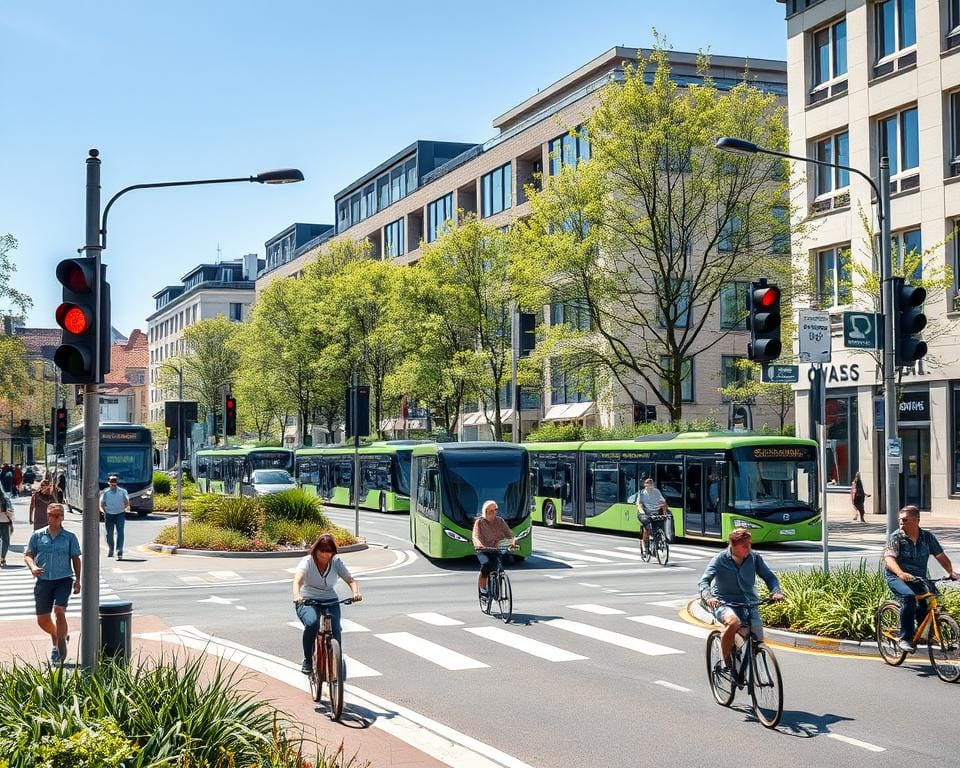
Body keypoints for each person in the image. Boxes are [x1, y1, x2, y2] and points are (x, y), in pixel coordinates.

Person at [698, 528, 784, 674]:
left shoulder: (754, 558)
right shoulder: (720, 560)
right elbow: (704, 582)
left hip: (749, 604)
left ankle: (758, 674)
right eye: (745, 546)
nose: (748, 549)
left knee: (757, 639)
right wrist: (709, 597)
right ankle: (726, 661)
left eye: (750, 544)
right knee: (734, 622)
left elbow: (769, 576)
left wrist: (776, 591)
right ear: (733, 545)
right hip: (724, 603)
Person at [883, 505, 960, 653]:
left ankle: (922, 632)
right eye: (900, 520)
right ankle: (905, 638)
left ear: (917, 521)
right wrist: (900, 573)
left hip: (918, 578)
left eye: (905, 520)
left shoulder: (927, 537)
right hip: (896, 576)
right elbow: (889, 559)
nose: (901, 523)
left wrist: (951, 572)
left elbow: (941, 556)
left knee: (930, 600)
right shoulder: (896, 537)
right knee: (909, 597)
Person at [292, 533, 362, 675]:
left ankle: (335, 658)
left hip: (330, 600)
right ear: (316, 550)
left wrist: (355, 593)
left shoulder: (336, 562)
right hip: (307, 600)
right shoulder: (307, 562)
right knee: (312, 624)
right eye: (322, 551)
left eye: (329, 551)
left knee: (336, 629)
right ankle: (308, 660)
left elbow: (350, 580)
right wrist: (297, 595)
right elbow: (297, 580)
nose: (325, 555)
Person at [23, 503, 81, 665]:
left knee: (59, 610)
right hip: (43, 581)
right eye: (51, 515)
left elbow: (76, 558)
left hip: (63, 579)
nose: (53, 518)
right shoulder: (37, 535)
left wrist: (78, 580)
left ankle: (59, 649)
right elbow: (28, 554)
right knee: (42, 620)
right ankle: (58, 635)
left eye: (57, 515)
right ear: (47, 516)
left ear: (62, 517)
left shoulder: (69, 537)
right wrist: (33, 566)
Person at [472, 499, 516, 596]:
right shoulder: (479, 522)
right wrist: (479, 545)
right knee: (486, 564)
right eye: (491, 510)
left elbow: (509, 534)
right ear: (486, 511)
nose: (494, 512)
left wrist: (512, 542)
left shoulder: (500, 521)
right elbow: (476, 536)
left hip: (497, 549)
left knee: (499, 566)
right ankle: (482, 587)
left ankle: (497, 589)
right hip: (483, 550)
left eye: (495, 510)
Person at [99, 474, 130, 560]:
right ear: (108, 482)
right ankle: (111, 549)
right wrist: (104, 511)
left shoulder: (122, 491)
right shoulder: (105, 492)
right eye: (111, 481)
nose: (113, 483)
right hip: (109, 515)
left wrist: (123, 508)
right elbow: (101, 504)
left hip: (120, 514)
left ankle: (119, 550)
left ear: (117, 482)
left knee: (120, 532)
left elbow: (127, 501)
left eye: (115, 481)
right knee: (109, 534)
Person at [636, 477, 669, 556]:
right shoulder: (641, 493)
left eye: (651, 484)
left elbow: (663, 502)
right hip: (645, 513)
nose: (649, 486)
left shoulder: (657, 492)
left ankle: (657, 545)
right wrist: (643, 513)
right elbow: (639, 504)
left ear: (653, 485)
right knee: (647, 528)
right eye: (647, 484)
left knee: (659, 528)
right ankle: (645, 545)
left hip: (655, 512)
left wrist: (665, 511)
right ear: (645, 485)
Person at [0, 490, 13, 566]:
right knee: (5, 541)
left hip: (4, 521)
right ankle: (2, 558)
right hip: (4, 521)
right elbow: (6, 511)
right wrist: (10, 520)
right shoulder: (4, 499)